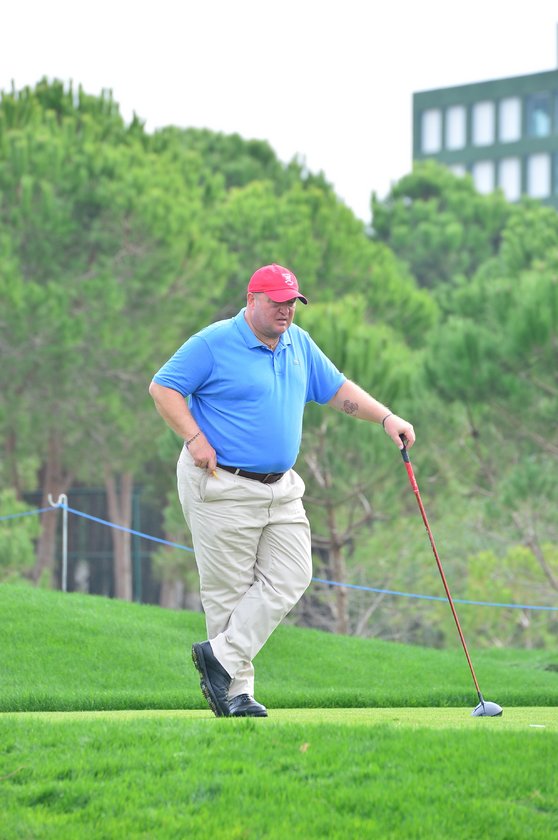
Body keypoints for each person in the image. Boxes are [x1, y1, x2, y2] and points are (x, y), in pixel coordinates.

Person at [149, 263, 415, 718]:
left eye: (292, 302)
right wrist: (194, 438)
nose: (286, 310)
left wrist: (386, 418)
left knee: (293, 574)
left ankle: (220, 658)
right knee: (229, 592)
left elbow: (338, 390)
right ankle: (237, 694)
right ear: (252, 299)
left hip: (281, 488)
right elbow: (163, 388)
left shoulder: (298, 344)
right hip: (221, 483)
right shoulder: (213, 343)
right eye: (277, 302)